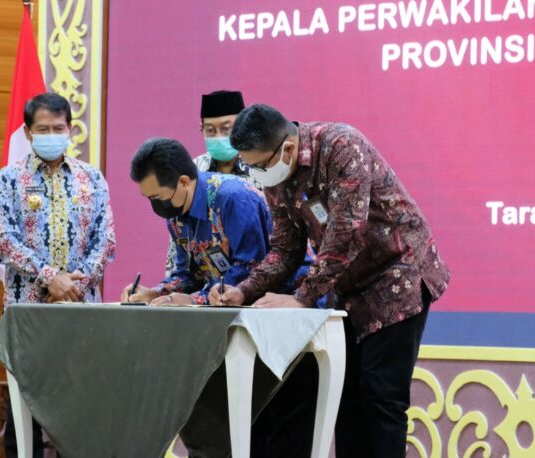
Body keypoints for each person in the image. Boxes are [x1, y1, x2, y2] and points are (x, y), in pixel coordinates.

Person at [210, 104, 451, 457]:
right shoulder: (276, 179)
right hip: (348, 286)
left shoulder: (341, 146)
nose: (257, 175)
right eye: (251, 168)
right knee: (346, 397)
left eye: (260, 165)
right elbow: (285, 250)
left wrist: (302, 298)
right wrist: (243, 291)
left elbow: (347, 232)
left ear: (287, 148)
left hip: (397, 273)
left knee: (382, 396)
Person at [0, 92, 116, 457]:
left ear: (70, 129)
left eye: (58, 128)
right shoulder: (8, 180)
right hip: (28, 313)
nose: (51, 135)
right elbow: (3, 241)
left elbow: (106, 240)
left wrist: (75, 283)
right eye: (42, 129)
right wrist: (50, 278)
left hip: (82, 312)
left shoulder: (92, 179)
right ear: (28, 133)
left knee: (79, 409)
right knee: (24, 411)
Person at [122, 137, 270, 306]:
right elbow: (188, 275)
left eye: (157, 197)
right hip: (224, 306)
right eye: (148, 198)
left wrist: (194, 299)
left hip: (272, 304)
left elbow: (249, 270)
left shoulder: (233, 198)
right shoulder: (176, 212)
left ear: (184, 182)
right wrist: (155, 293)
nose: (156, 205)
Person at [164, 90, 261, 276]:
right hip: (204, 282)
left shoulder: (261, 167)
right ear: (201, 128)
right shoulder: (192, 172)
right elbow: (179, 236)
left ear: (243, 127)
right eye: (210, 130)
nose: (218, 136)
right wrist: (170, 286)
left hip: (257, 276)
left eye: (226, 129)